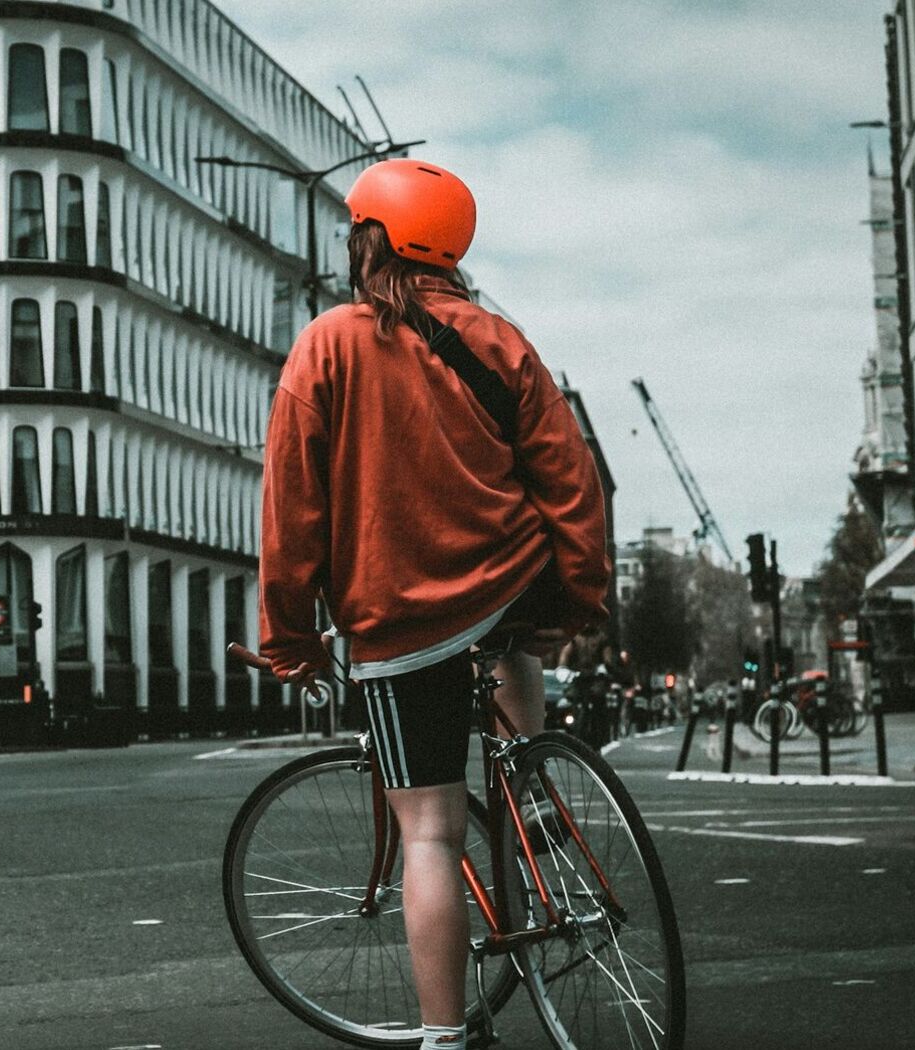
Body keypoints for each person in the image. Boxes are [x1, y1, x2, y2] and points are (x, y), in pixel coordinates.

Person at [258, 158, 609, 1050]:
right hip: (507, 581)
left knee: (432, 834)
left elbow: (291, 508)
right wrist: (577, 597)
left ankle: (446, 1036)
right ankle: (530, 782)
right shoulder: (499, 339)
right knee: (509, 630)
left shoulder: (329, 343)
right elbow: (570, 482)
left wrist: (289, 634)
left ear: (371, 240)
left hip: (400, 619)